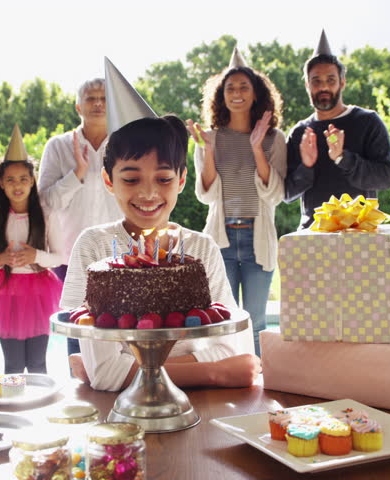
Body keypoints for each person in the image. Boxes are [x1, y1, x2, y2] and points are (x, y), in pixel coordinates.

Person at [60, 58, 260, 392]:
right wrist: (215, 373)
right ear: (109, 180)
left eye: (163, 178)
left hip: (200, 410)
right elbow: (107, 373)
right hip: (118, 418)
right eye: (131, 178)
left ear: (182, 179)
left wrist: (126, 370)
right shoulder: (94, 247)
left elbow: (231, 344)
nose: (149, 193)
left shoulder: (200, 248)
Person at [186, 48, 287, 357]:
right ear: (221, 96)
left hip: (258, 240)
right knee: (224, 318)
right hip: (221, 239)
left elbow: (275, 194)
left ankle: (258, 382)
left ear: (256, 94)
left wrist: (257, 147)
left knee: (256, 321)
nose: (237, 93)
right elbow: (205, 195)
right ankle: (228, 376)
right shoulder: (209, 138)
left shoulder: (274, 138)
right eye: (230, 88)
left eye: (244, 87)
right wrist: (210, 151)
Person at [38, 77, 122, 357]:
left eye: (104, 98)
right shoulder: (58, 146)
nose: (98, 103)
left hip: (120, 254)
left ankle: (119, 392)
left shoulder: (126, 145)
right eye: (90, 98)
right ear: (78, 106)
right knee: (78, 330)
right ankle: (81, 393)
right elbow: (45, 202)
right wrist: (77, 174)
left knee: (119, 330)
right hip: (71, 255)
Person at [0, 124, 65, 374]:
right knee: (13, 365)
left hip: (39, 293)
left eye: (24, 179)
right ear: (1, 183)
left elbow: (60, 257)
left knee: (37, 364)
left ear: (32, 180)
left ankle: (39, 409)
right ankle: (13, 408)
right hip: (6, 294)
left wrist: (36, 255)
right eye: (10, 180)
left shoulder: (46, 215)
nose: (18, 185)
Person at [284, 30, 390, 229]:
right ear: (307, 85)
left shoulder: (367, 122)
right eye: (316, 81)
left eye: (331, 80)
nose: (323, 87)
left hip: (358, 232)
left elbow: (385, 178)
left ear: (342, 82)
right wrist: (307, 166)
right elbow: (287, 193)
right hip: (313, 233)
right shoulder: (300, 132)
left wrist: (343, 158)